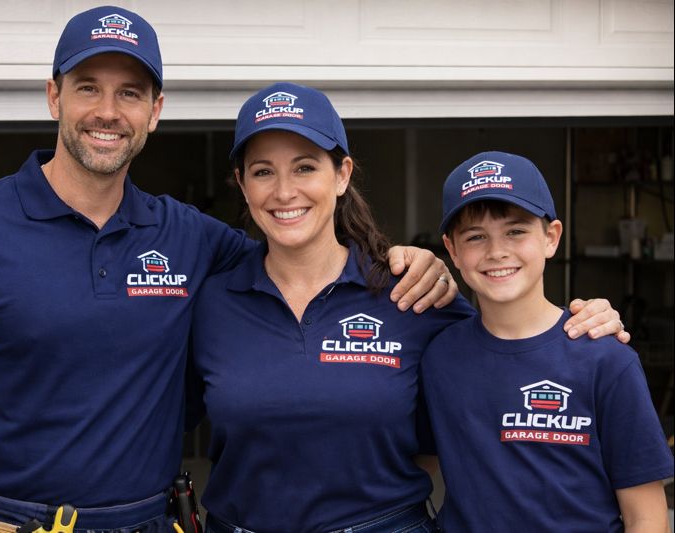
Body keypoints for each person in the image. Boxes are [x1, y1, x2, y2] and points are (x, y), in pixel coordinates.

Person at [0, 7, 476, 533]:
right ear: (54, 96)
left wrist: (414, 262)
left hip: (146, 521)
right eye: (88, 88)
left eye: (130, 93)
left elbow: (302, 252)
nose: (108, 112)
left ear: (155, 111)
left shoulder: (193, 241)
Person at [187, 83, 630, 533]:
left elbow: (515, 347)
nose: (285, 192)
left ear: (342, 174)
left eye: (305, 167)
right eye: (263, 172)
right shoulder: (210, 303)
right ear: (242, 184)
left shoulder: (412, 295)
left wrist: (584, 326)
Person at [420, 151, 673, 532]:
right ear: (452, 250)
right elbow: (414, 464)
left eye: (515, 231)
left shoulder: (604, 356)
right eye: (475, 237)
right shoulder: (438, 355)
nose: (497, 251)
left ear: (551, 237)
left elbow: (647, 518)